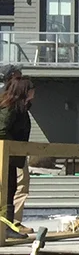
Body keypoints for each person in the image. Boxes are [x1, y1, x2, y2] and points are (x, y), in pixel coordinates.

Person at [0, 70, 34, 225]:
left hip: (12, 157)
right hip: (6, 155)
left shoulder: (21, 108)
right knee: (7, 189)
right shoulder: (10, 107)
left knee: (11, 188)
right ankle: (6, 226)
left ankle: (8, 225)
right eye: (31, 89)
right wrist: (12, 147)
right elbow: (2, 130)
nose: (34, 92)